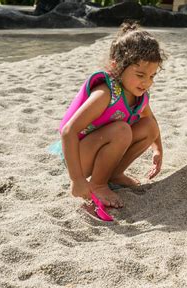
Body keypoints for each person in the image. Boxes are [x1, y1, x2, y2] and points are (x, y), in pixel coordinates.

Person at [54, 22, 166, 208]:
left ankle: (113, 175)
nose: (146, 82)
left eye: (152, 76)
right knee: (121, 130)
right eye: (140, 75)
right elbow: (68, 132)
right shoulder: (105, 93)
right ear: (117, 66)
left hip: (101, 148)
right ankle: (98, 184)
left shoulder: (140, 96)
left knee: (149, 127)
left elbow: (151, 121)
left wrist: (158, 149)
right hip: (77, 156)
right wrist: (77, 179)